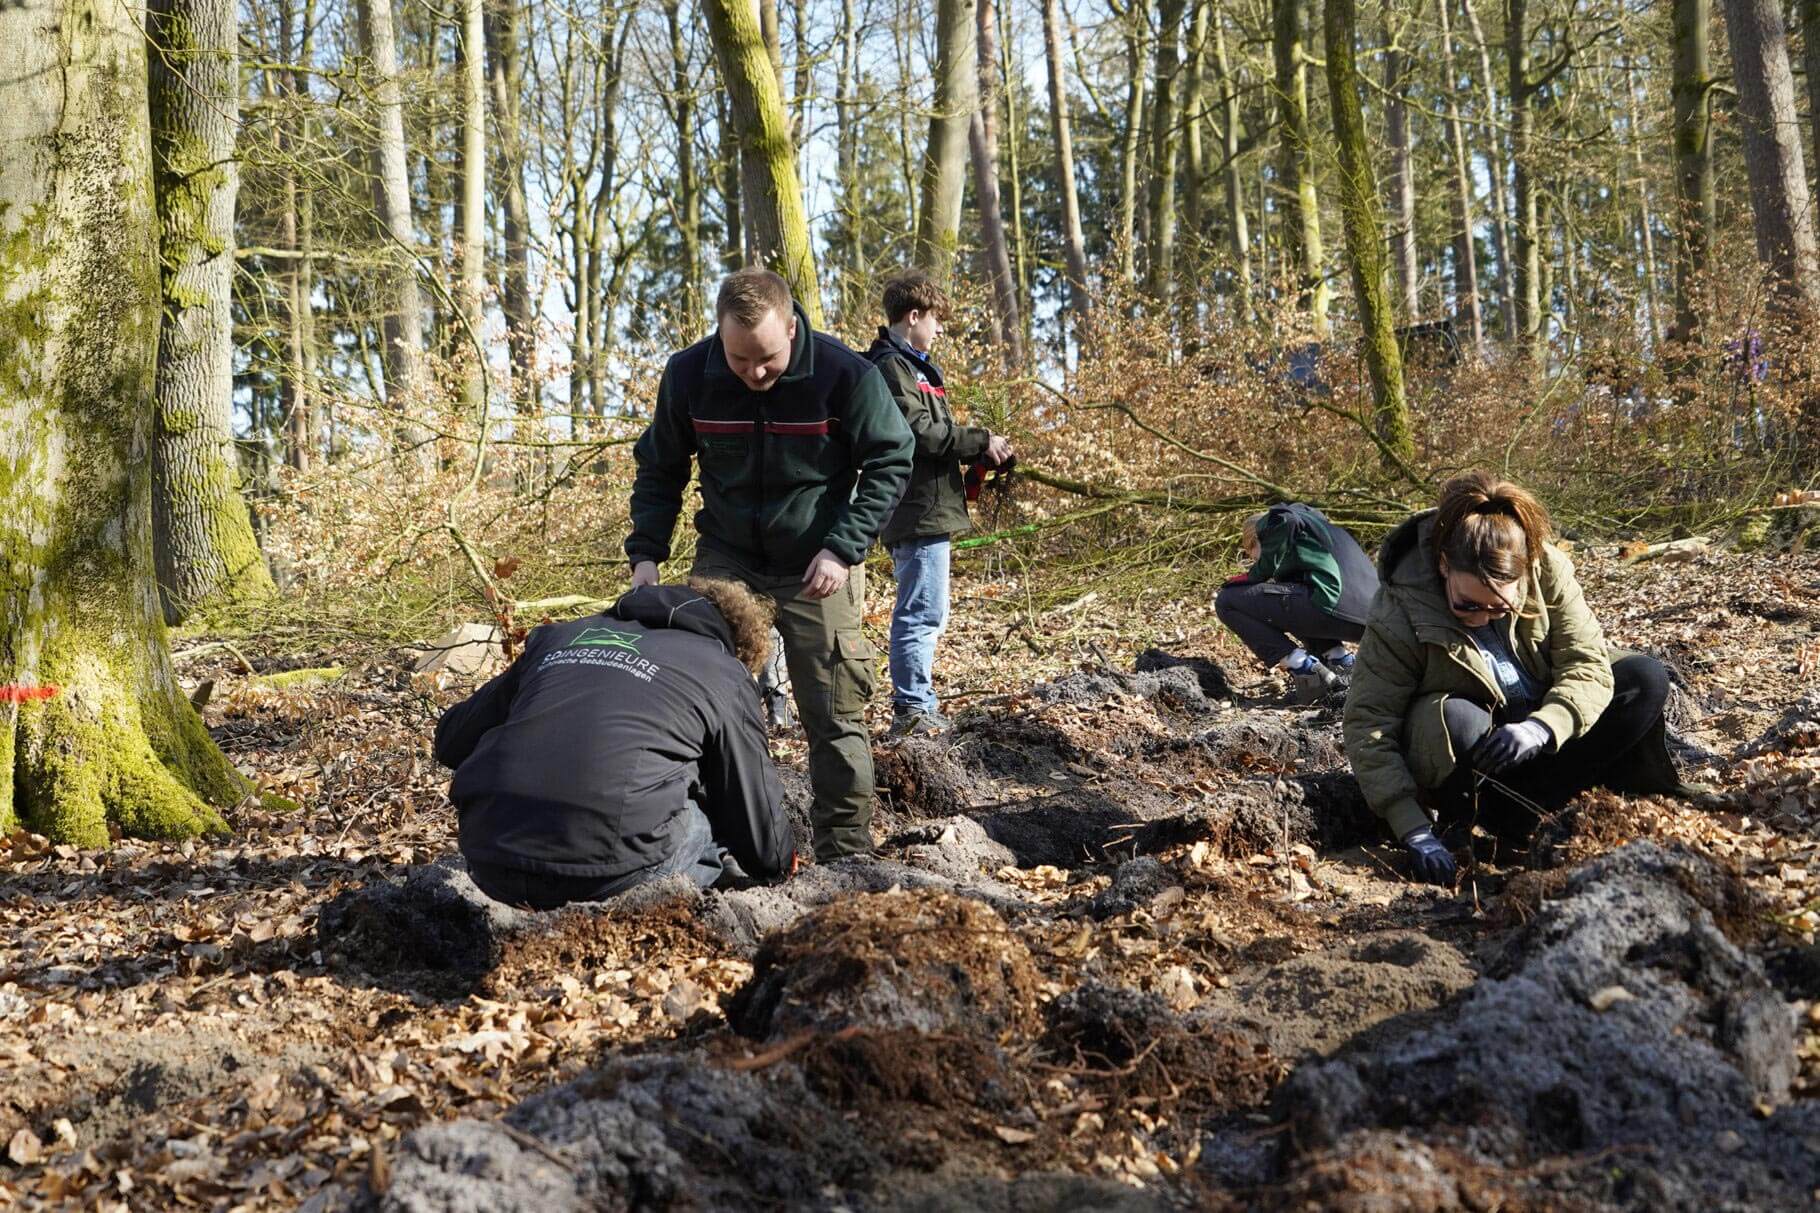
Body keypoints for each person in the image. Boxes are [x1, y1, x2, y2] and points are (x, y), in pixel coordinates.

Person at [624, 268, 913, 861]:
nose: (754, 373)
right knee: (700, 705)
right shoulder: (688, 375)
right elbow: (661, 469)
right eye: (739, 360)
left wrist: (844, 545)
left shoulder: (843, 374)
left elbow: (892, 458)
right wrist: (647, 555)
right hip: (727, 557)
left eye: (767, 360)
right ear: (719, 337)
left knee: (833, 709)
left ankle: (846, 849)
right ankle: (711, 845)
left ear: (791, 325)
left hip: (818, 562)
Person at [1343, 472, 1688, 885]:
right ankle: (1508, 819)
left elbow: (1587, 663)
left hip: (1545, 741)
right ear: (1443, 565)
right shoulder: (1398, 608)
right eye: (1467, 605)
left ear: (1523, 576)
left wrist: (1543, 727)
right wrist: (1413, 829)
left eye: (1499, 609)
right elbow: (1370, 722)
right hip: (1480, 766)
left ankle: (1564, 805)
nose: (1482, 618)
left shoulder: (1549, 570)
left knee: (1642, 677)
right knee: (1454, 717)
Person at [433, 580, 795, 910]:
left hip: (491, 857)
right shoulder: (723, 670)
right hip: (611, 876)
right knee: (715, 818)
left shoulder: (559, 637)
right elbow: (759, 830)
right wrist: (782, 860)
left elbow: (451, 740)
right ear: (739, 644)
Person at [866, 270, 1014, 737]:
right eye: (935, 319)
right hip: (917, 511)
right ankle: (912, 708)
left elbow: (934, 435)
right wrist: (979, 440)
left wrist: (978, 454)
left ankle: (918, 703)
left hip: (926, 507)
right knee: (921, 611)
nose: (940, 328)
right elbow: (920, 434)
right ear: (913, 317)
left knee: (928, 609)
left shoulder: (912, 368)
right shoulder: (893, 368)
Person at [1215, 502, 1378, 703]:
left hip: (1335, 607)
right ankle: (1340, 661)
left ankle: (1305, 671)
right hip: (1372, 618)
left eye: (1252, 552)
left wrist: (1252, 576)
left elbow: (1285, 521)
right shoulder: (1315, 534)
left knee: (1226, 601)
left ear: (1257, 540)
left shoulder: (1276, 523)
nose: (1254, 559)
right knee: (1293, 592)